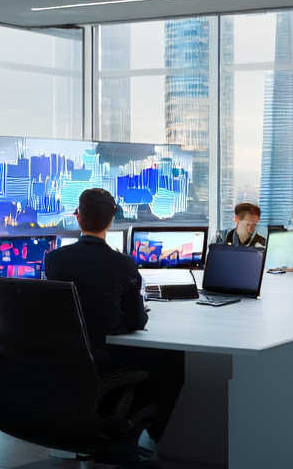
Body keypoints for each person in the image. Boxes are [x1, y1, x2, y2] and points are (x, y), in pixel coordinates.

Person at [43, 188, 184, 462]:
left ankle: (114, 424)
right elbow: (137, 321)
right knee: (173, 361)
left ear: (77, 217)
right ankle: (133, 429)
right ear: (112, 219)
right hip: (105, 357)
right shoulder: (123, 264)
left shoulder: (54, 259)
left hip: (65, 357)